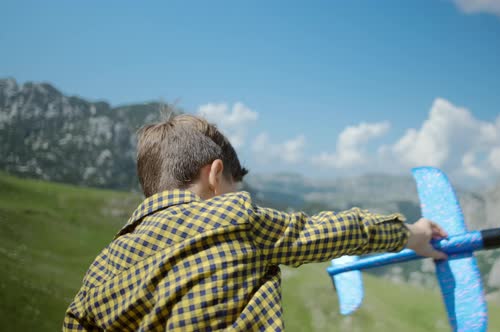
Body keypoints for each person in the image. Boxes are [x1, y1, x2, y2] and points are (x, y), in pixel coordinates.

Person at [63, 113, 447, 331]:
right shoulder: (233, 217)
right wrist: (411, 234)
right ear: (214, 176)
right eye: (235, 185)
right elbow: (333, 232)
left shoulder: (100, 270)